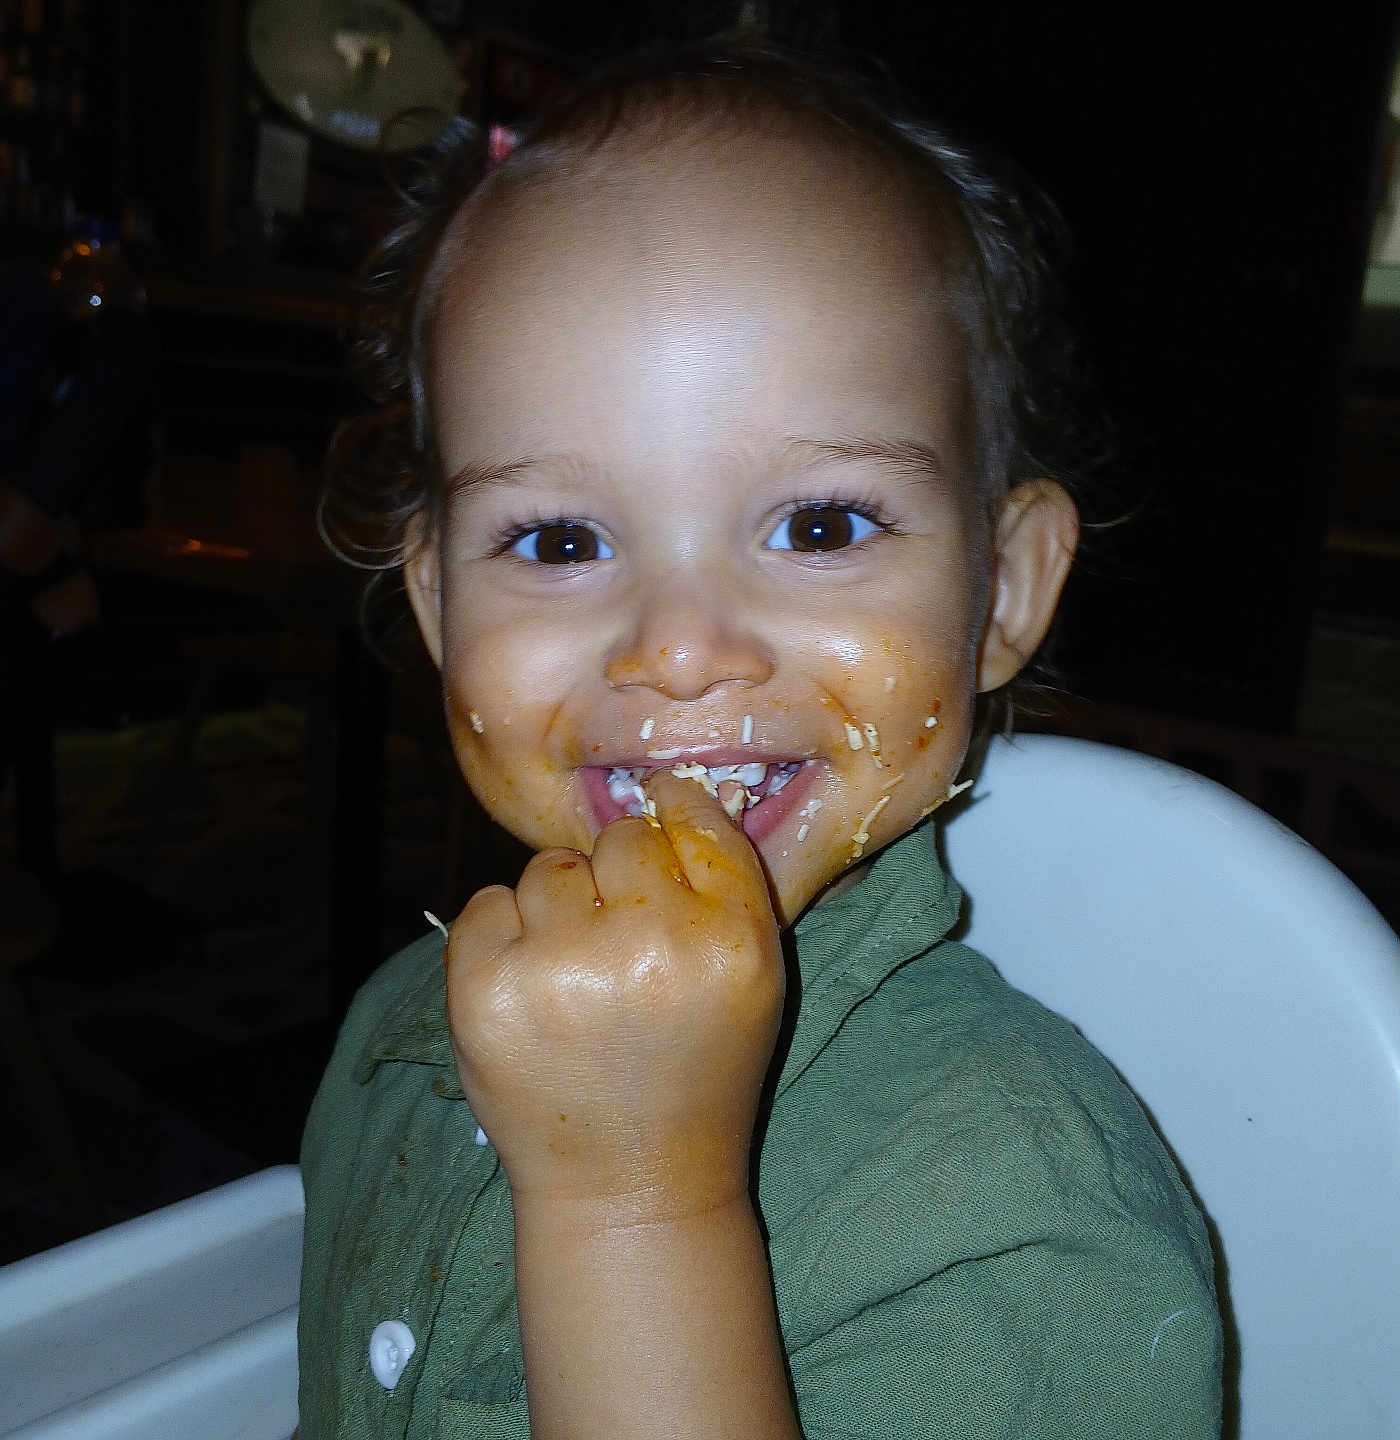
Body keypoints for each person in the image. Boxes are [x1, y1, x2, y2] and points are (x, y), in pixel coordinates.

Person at [299, 40, 1223, 1439]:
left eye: (820, 524)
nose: (676, 648)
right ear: (435, 602)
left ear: (1007, 590)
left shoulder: (1018, 1209)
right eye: (558, 539)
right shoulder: (396, 1029)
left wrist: (635, 1201)